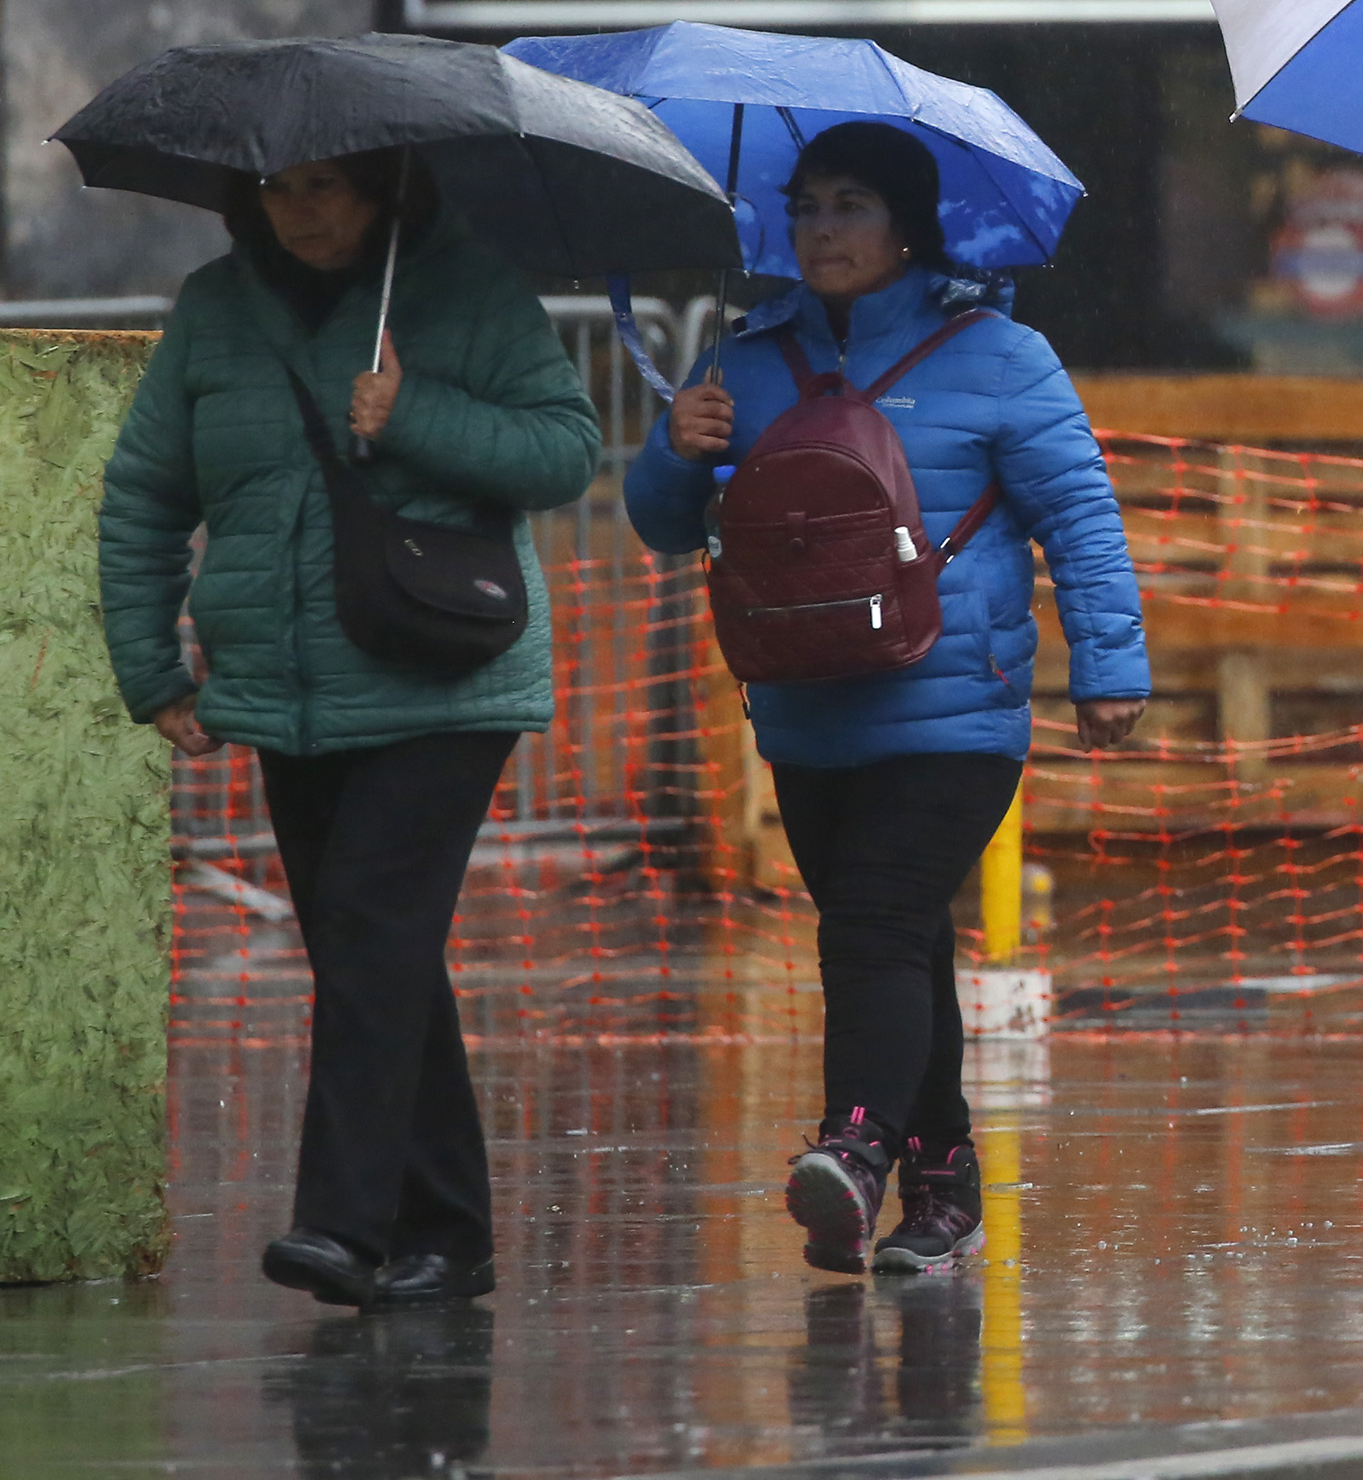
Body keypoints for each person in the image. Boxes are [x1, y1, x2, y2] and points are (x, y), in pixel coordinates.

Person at [627, 121, 1149, 1275]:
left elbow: (1080, 520)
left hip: (954, 706)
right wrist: (675, 450)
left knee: (871, 922)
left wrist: (1109, 667)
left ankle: (856, 1146)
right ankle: (945, 1183)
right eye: (807, 207)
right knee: (896, 943)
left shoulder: (1001, 356)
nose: (822, 230)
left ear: (907, 227)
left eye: (851, 206)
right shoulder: (745, 362)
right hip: (808, 709)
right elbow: (666, 526)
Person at [100, 152, 601, 1309]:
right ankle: (450, 1232)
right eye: (281, 188)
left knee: (371, 926)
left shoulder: (467, 292)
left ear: (386, 187)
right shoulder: (213, 311)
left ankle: (341, 1223)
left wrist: (413, 411)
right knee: (372, 950)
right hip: (288, 689)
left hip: (442, 677)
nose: (306, 210)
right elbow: (146, 494)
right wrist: (149, 665)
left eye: (332, 184)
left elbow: (565, 450)